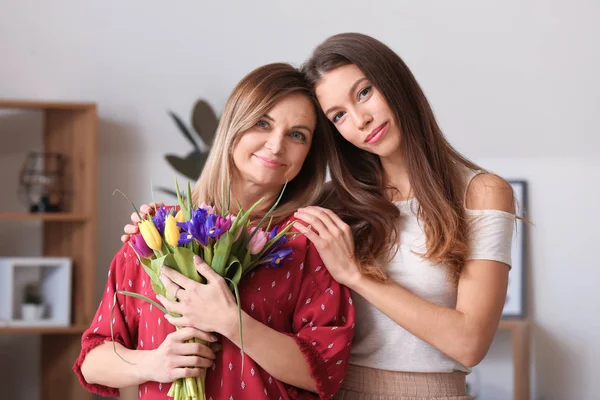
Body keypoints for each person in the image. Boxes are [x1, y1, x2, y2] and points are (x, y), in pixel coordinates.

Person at [74, 63, 355, 400]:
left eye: (297, 134)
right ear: (233, 127)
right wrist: (152, 364)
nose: (276, 144)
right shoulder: (159, 231)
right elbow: (92, 359)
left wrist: (231, 321)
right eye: (262, 123)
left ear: (308, 154)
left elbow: (324, 372)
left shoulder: (307, 242)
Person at [289, 32, 516, 400]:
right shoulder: (332, 203)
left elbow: (470, 342)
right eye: (339, 115)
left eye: (364, 92)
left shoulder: (481, 192)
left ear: (394, 81)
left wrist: (355, 275)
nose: (361, 119)